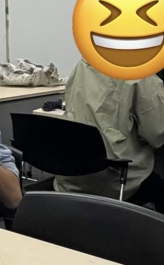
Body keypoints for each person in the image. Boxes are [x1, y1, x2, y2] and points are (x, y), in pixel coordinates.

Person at [57, 58, 164, 210]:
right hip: (115, 177)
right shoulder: (140, 74)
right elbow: (158, 133)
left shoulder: (83, 64)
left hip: (71, 173)